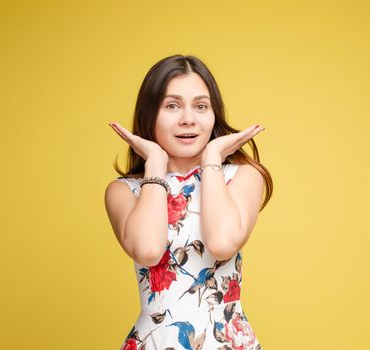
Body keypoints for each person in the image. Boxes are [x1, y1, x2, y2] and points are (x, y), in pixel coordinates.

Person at [104, 54, 273, 350]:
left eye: (200, 106)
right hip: (155, 339)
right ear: (150, 115)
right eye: (171, 106)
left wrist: (211, 161)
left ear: (213, 115)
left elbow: (222, 243)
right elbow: (147, 250)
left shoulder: (242, 177)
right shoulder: (124, 191)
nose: (188, 118)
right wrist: (155, 163)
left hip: (225, 341)